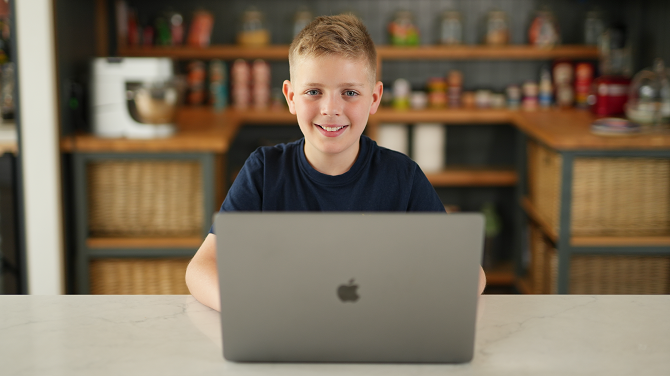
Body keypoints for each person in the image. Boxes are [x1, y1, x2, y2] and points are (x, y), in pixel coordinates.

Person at [185, 14, 486, 311]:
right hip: (283, 334)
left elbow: (472, 274)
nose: (330, 109)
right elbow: (201, 268)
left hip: (380, 334)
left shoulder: (402, 176)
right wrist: (247, 308)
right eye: (313, 91)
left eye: (350, 93)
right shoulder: (264, 171)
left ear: (374, 98)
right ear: (290, 97)